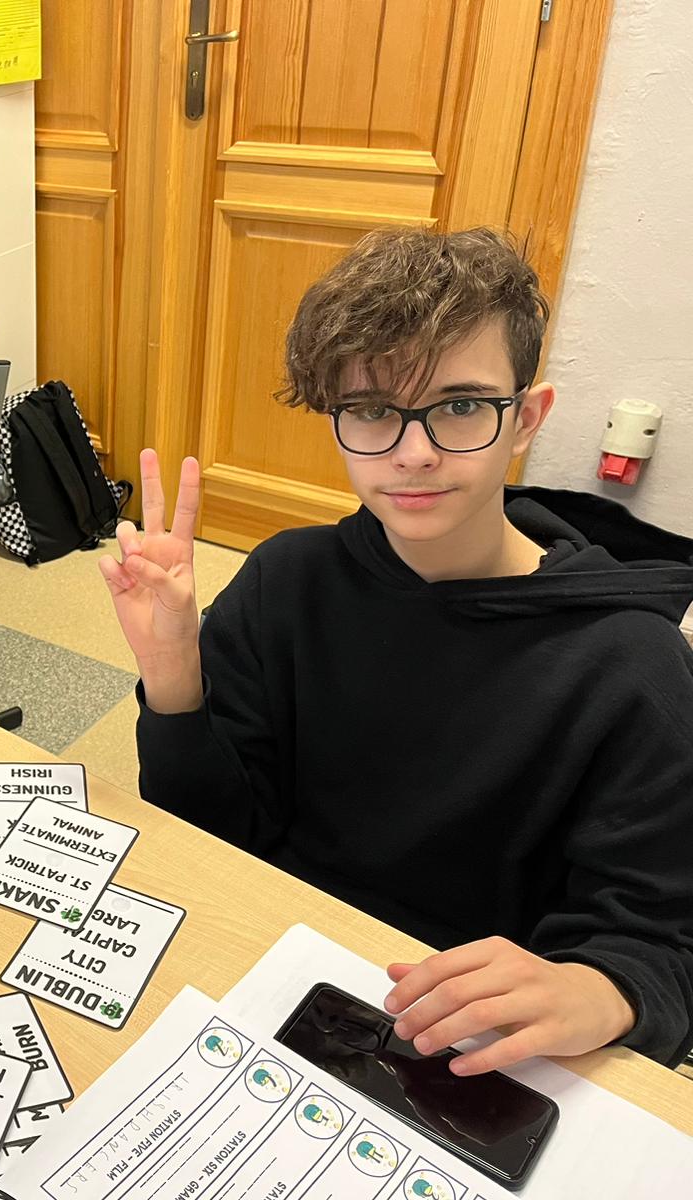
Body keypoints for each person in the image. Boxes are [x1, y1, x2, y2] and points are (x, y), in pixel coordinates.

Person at [103, 227, 693, 1072]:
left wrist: (599, 989)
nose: (414, 454)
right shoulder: (287, 580)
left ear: (525, 420)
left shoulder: (631, 664)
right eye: (375, 410)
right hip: (271, 969)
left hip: (463, 1044)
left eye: (461, 406)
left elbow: (663, 946)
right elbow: (211, 835)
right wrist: (172, 675)